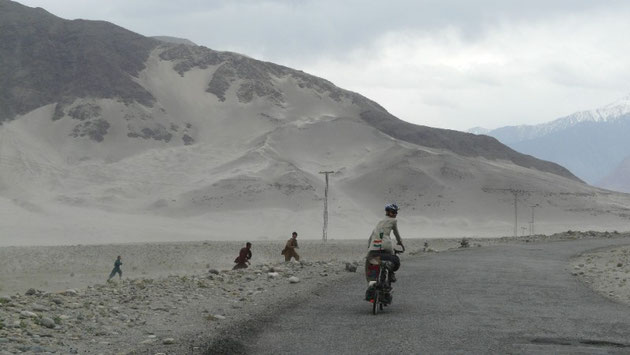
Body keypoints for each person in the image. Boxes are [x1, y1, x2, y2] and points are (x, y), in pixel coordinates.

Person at [365, 204, 405, 285]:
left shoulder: (379, 222)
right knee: (393, 258)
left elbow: (370, 238)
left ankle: (371, 284)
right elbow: (396, 233)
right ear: (388, 212)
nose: (395, 214)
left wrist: (369, 248)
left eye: (396, 212)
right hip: (386, 246)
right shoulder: (393, 221)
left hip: (373, 248)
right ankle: (391, 274)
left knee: (370, 265)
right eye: (393, 212)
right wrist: (400, 243)